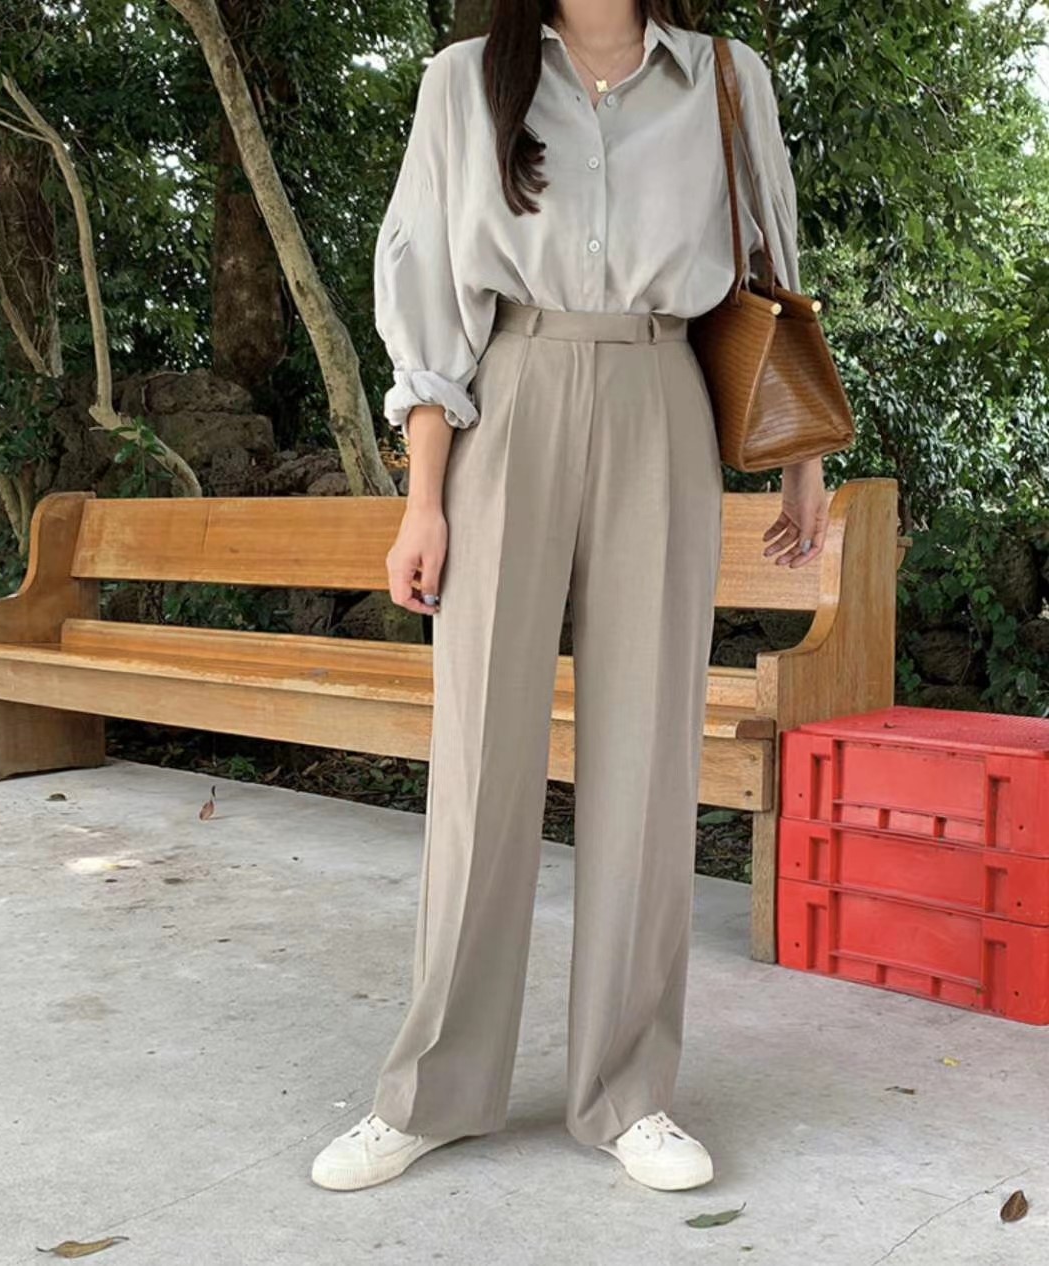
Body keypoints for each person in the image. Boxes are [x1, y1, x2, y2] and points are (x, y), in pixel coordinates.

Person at [312, 0, 829, 1193]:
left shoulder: (726, 77)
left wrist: (803, 454)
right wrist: (424, 500)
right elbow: (430, 284)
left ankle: (630, 1093)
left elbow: (774, 267)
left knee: (649, 755)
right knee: (480, 753)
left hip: (664, 392)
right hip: (509, 395)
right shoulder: (465, 80)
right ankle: (433, 1091)